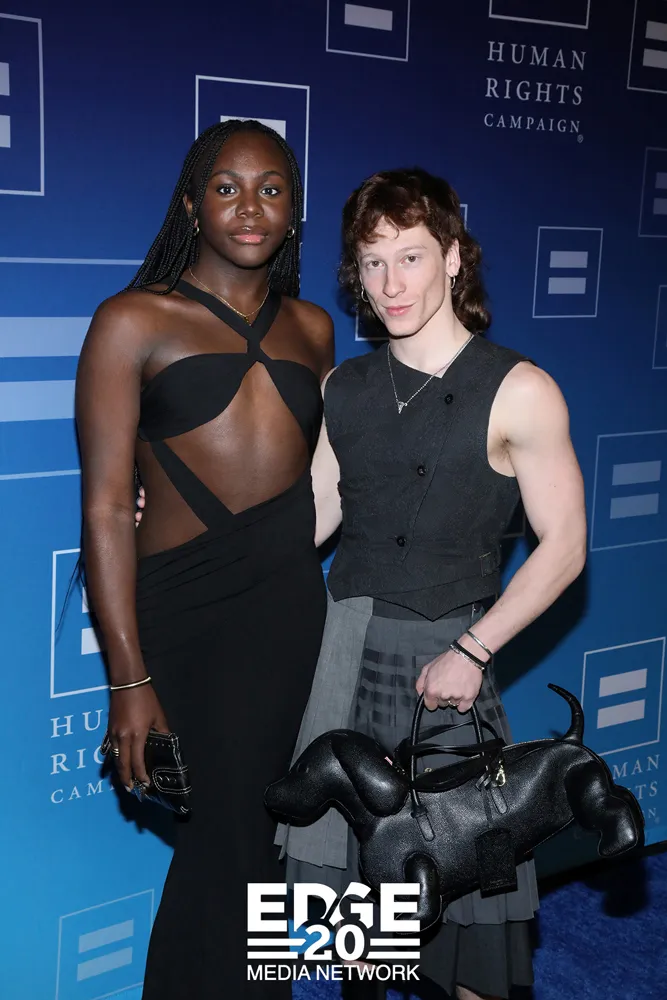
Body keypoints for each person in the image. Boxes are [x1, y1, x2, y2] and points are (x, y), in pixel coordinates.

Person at [276, 167, 587, 1000]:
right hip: (345, 655)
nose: (389, 285)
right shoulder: (343, 388)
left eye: (409, 258)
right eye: (371, 263)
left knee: (468, 901)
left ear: (453, 257)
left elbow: (564, 547)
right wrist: (181, 522)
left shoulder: (519, 388)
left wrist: (474, 650)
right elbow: (310, 517)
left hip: (448, 661)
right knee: (356, 915)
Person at [75, 119, 333, 1000]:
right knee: (228, 839)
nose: (249, 207)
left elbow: (325, 483)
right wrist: (127, 679)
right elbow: (105, 508)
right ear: (191, 205)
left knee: (252, 840)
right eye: (226, 188)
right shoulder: (131, 321)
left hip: (289, 607)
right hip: (181, 612)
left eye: (271, 188)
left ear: (294, 210)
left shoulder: (316, 329)